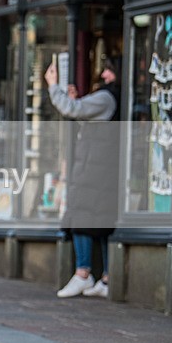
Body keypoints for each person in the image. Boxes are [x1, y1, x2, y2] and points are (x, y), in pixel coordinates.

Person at [45, 58, 120, 299]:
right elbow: (82, 112)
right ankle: (105, 278)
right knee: (99, 220)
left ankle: (83, 274)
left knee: (81, 216)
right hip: (99, 167)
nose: (104, 74)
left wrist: (53, 86)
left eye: (109, 70)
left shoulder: (106, 97)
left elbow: (71, 110)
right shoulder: (108, 97)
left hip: (96, 170)